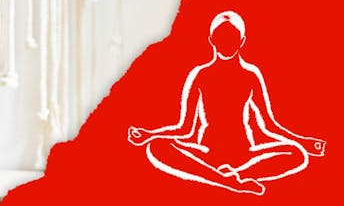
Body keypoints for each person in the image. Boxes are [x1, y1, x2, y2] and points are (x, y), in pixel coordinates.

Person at [127, 10, 326, 195]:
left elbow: (268, 126)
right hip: (207, 152)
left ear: (242, 41)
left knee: (297, 154)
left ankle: (231, 177)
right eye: (222, 37)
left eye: (232, 37)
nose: (226, 42)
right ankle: (228, 182)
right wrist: (150, 135)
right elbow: (186, 129)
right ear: (212, 40)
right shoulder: (200, 75)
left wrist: (304, 143)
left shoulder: (250, 76)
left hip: (244, 154)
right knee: (156, 147)